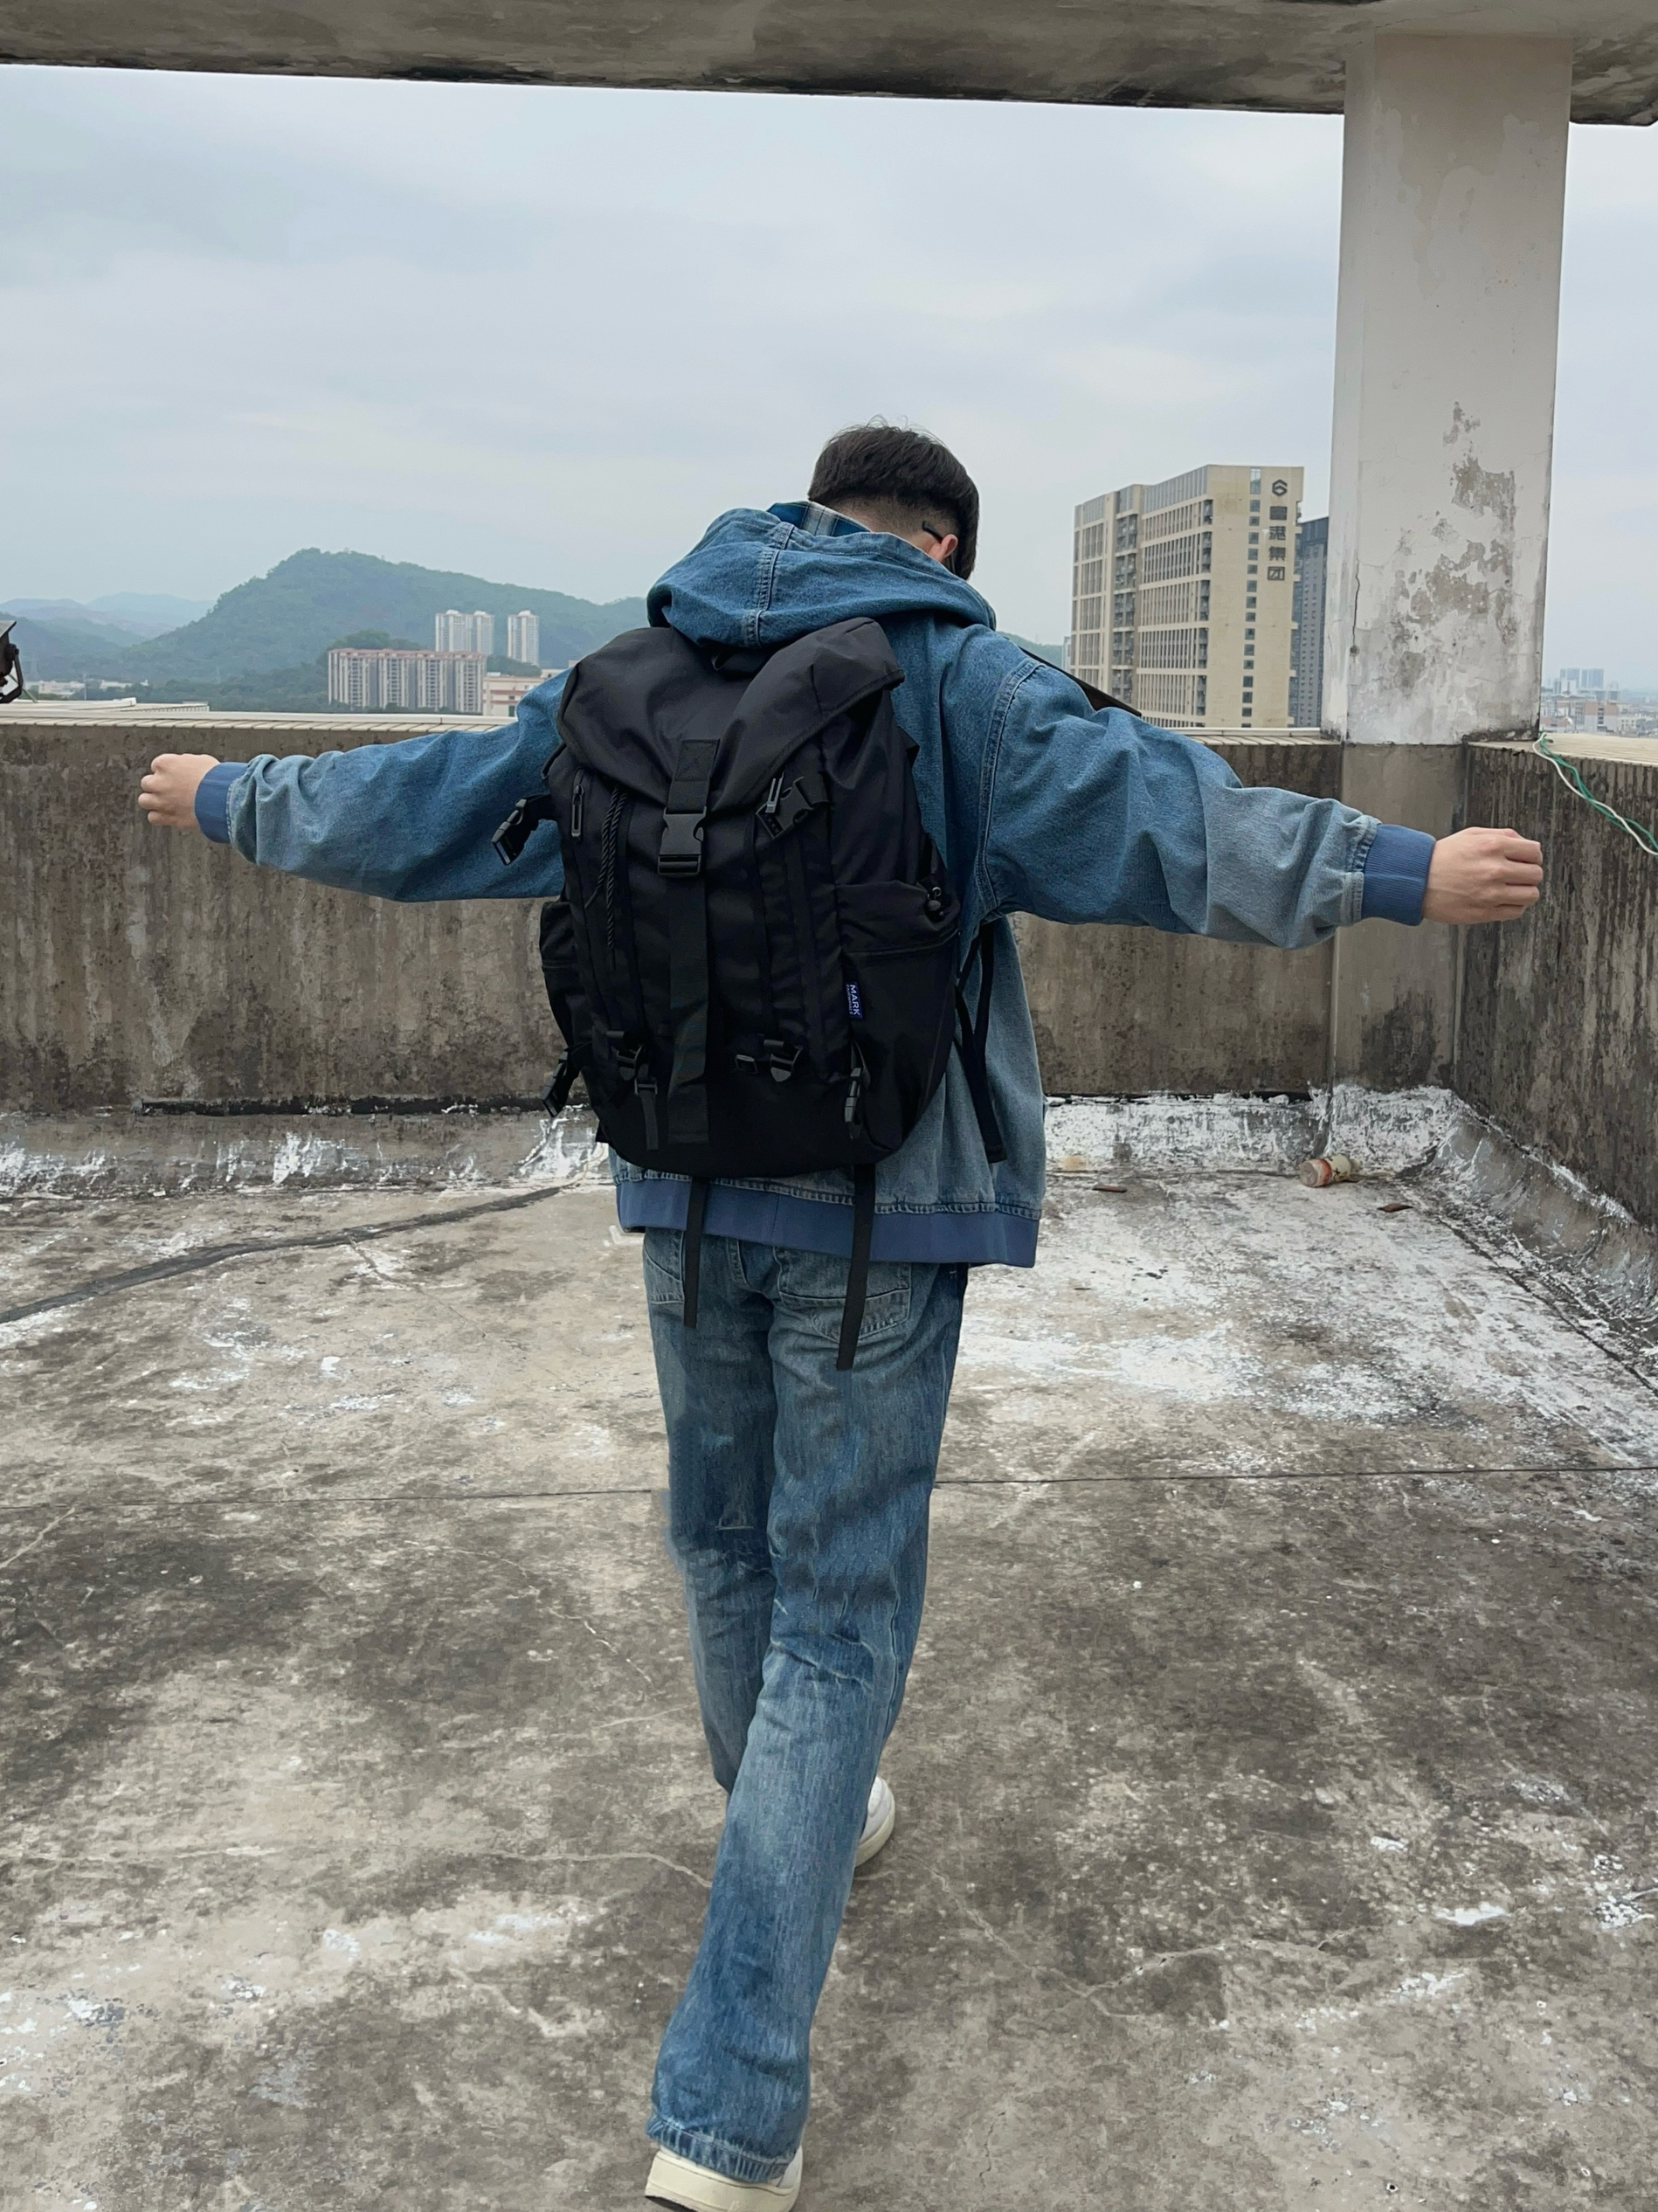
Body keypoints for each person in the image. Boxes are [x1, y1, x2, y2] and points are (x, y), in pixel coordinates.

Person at [139, 425, 1544, 2210]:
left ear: (812, 514)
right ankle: (726, 2115)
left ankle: (806, 1819)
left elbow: (428, 802)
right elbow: (1177, 824)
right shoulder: (960, 682)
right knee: (838, 1617)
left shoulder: (628, 676)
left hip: (682, 1182)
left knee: (724, 1544)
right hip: (889, 1199)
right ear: (940, 542)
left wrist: (228, 798)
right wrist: (1407, 871)